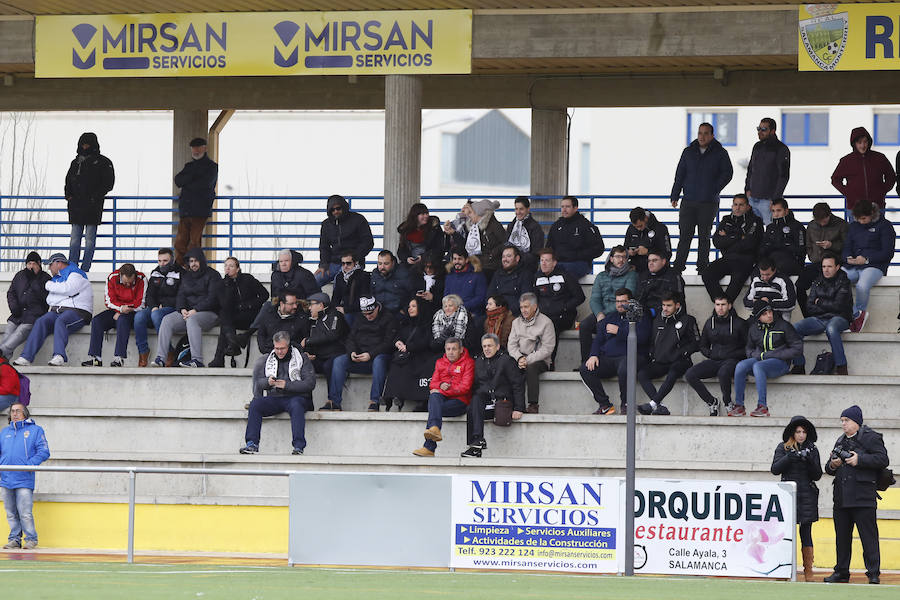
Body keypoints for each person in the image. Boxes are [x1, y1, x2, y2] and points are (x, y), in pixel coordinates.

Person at [823, 405, 889, 584]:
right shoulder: (840, 440)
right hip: (842, 497)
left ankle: (873, 573)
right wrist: (833, 465)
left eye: (847, 421)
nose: (843, 424)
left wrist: (860, 459)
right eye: (842, 421)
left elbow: (883, 459)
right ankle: (841, 571)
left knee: (869, 538)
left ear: (857, 422)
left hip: (863, 497)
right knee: (842, 538)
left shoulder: (871, 437)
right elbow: (828, 468)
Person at [670, 122, 734, 273]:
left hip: (708, 202)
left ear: (712, 135)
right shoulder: (688, 151)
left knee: (704, 237)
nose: (702, 136)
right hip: (688, 201)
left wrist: (714, 188)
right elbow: (680, 174)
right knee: (685, 235)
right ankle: (678, 267)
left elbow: (728, 173)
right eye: (700, 133)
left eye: (706, 133)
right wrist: (675, 194)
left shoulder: (720, 153)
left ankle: (702, 267)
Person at [239, 331, 316, 456]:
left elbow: (310, 384)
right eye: (277, 348)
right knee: (255, 405)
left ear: (288, 345)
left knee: (296, 406)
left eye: (282, 348)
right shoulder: (268, 359)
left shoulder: (301, 358)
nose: (279, 351)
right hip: (276, 397)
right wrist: (267, 382)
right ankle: (252, 444)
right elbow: (259, 383)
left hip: (297, 397)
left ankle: (298, 446)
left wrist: (287, 385)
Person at [579, 288, 651, 415]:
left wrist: (619, 331)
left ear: (630, 302)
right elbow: (598, 340)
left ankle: (626, 404)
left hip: (633, 357)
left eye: (623, 301)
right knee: (585, 368)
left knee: (625, 367)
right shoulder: (610, 317)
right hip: (609, 359)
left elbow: (643, 338)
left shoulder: (640, 317)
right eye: (617, 301)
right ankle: (605, 404)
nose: (619, 304)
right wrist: (593, 355)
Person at [13, 253, 93, 367]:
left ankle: (59, 356)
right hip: (58, 311)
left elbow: (68, 289)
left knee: (61, 321)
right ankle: (26, 357)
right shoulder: (56, 279)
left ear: (59, 263)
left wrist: (50, 285)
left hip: (79, 312)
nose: (49, 268)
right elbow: (50, 300)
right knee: (41, 321)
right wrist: (65, 294)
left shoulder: (75, 273)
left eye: (51, 265)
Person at [770, 415, 822, 582]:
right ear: (793, 433)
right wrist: (788, 458)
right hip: (788, 496)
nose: (801, 435)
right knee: (786, 533)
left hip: (806, 494)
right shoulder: (783, 448)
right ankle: (785, 568)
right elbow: (775, 469)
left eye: (804, 432)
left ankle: (808, 570)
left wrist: (809, 461)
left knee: (806, 532)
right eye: (798, 431)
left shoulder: (812, 449)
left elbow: (818, 475)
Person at [730, 300, 802, 417]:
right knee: (740, 366)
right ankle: (739, 405)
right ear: (758, 317)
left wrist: (773, 354)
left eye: (770, 312)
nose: (769, 315)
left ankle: (762, 406)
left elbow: (797, 348)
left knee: (758, 366)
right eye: (764, 314)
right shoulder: (754, 329)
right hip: (761, 360)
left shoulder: (784, 326)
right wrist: (755, 355)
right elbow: (748, 348)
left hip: (781, 363)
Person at [324, 296, 397, 412]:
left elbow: (388, 343)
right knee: (339, 361)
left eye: (370, 313)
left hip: (378, 358)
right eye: (365, 314)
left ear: (377, 307)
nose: (368, 316)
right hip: (361, 357)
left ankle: (374, 401)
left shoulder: (388, 318)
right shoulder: (360, 318)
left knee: (379, 360)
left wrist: (370, 354)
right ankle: (334, 402)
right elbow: (351, 339)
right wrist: (352, 352)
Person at [152, 248, 222, 368]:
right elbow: (181, 295)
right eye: (191, 261)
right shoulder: (187, 276)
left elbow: (213, 299)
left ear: (202, 261)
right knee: (167, 320)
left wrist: (196, 310)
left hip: (210, 314)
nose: (193, 264)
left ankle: (197, 360)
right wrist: (182, 309)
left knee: (192, 319)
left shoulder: (213, 275)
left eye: (196, 261)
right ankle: (161, 359)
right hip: (189, 313)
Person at [461, 333, 525, 458]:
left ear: (497, 346)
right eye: (484, 346)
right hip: (485, 403)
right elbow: (476, 385)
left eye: (490, 346)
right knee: (473, 405)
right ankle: (477, 442)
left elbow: (517, 384)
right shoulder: (479, 361)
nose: (486, 349)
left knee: (473, 409)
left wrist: (519, 408)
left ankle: (475, 447)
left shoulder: (506, 361)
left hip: (502, 403)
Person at [637, 291, 699, 416]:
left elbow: (697, 342)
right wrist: (652, 353)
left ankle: (652, 404)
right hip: (661, 361)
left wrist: (683, 352)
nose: (665, 308)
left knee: (673, 373)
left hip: (681, 361)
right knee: (642, 374)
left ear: (677, 305)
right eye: (663, 305)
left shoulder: (688, 320)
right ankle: (660, 406)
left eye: (669, 305)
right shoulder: (658, 320)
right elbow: (652, 341)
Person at [684, 295, 748, 416]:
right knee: (690, 374)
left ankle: (728, 403)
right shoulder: (710, 323)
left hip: (733, 360)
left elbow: (748, 347)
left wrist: (733, 354)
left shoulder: (740, 323)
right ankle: (712, 402)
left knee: (723, 373)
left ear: (729, 306)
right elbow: (702, 345)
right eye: (718, 305)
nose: (720, 308)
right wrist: (710, 354)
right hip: (715, 360)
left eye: (723, 305)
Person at [790, 254, 852, 376]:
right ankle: (799, 365)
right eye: (824, 266)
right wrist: (823, 306)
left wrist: (820, 302)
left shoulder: (844, 281)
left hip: (840, 318)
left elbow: (839, 306)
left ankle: (841, 366)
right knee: (795, 328)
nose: (826, 270)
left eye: (829, 266)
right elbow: (810, 306)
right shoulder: (818, 281)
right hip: (821, 318)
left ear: (837, 267)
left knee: (831, 328)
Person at [412, 337, 474, 457]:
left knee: (435, 401)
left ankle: (429, 447)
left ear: (461, 350)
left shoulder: (468, 362)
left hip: (460, 402)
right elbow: (432, 383)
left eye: (454, 349)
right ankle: (434, 429)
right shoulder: (440, 362)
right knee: (434, 397)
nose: (450, 352)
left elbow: (465, 387)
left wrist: (445, 389)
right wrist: (440, 385)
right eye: (448, 349)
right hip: (442, 401)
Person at [0, 403, 50, 550]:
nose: (14, 414)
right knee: (10, 512)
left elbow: (44, 451)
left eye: (18, 411)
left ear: (25, 413)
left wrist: (29, 465)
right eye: (12, 411)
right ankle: (15, 539)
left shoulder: (35, 431)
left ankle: (31, 539)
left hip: (24, 479)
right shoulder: (4, 432)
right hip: (6, 479)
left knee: (25, 512)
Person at [65, 132, 115, 272]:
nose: (85, 146)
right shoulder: (75, 162)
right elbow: (68, 181)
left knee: (89, 241)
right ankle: (73, 267)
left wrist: (95, 197)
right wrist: (68, 195)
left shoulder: (104, 162)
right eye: (83, 144)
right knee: (74, 240)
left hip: (93, 208)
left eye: (87, 144)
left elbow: (108, 183)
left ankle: (85, 268)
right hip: (76, 207)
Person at [578, 246, 638, 363]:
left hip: (620, 311)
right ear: (611, 259)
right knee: (585, 326)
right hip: (601, 312)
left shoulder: (631, 275)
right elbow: (594, 299)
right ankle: (586, 361)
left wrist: (604, 314)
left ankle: (601, 360)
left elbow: (627, 298)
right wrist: (599, 314)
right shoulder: (601, 276)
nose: (621, 260)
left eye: (624, 257)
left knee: (603, 326)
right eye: (618, 257)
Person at [842, 201, 894, 332]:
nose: (861, 221)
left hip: (875, 266)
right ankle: (855, 315)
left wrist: (866, 260)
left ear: (872, 213)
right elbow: (847, 246)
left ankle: (860, 315)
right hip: (853, 265)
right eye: (858, 219)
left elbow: (887, 253)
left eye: (864, 218)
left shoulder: (885, 226)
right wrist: (848, 257)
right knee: (837, 281)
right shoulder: (854, 226)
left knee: (862, 285)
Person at [382, 297, 441, 413]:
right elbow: (399, 336)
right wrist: (398, 342)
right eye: (409, 307)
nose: (410, 309)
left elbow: (427, 342)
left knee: (409, 365)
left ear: (420, 308)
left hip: (422, 354)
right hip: (407, 354)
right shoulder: (406, 322)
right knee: (395, 364)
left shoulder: (428, 324)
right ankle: (389, 397)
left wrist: (408, 347)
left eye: (414, 306)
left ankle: (402, 396)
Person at [82, 263, 146, 367]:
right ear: (120, 275)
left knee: (122, 320)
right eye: (125, 282)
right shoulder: (112, 277)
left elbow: (141, 303)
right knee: (97, 321)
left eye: (131, 282)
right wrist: (120, 309)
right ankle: (96, 358)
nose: (128, 285)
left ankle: (118, 358)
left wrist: (124, 311)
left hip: (133, 311)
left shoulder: (141, 278)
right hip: (116, 309)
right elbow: (108, 301)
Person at [702, 193, 763, 303]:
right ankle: (722, 304)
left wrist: (728, 239)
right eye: (735, 204)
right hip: (727, 259)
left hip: (745, 260)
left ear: (748, 207)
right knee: (707, 274)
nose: (737, 208)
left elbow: (750, 243)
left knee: (737, 279)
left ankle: (723, 308)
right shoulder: (726, 219)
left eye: (741, 205)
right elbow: (717, 241)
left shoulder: (755, 221)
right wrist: (739, 237)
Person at [209, 257, 268, 367]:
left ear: (237, 269)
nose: (228, 268)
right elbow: (225, 305)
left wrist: (249, 305)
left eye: (231, 266)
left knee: (225, 323)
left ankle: (220, 358)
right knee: (224, 316)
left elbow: (265, 295)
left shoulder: (248, 279)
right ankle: (232, 344)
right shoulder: (222, 284)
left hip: (251, 315)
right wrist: (228, 285)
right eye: (226, 266)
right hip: (235, 317)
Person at [533, 248, 585, 363]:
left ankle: (548, 361)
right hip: (544, 316)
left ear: (554, 263)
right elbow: (533, 299)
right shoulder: (536, 277)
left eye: (547, 260)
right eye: (542, 260)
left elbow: (580, 297)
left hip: (563, 316)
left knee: (550, 327)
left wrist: (564, 307)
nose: (544, 263)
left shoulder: (565, 276)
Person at [507, 292, 555, 414]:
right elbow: (511, 345)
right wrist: (519, 358)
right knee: (506, 366)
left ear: (535, 307)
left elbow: (547, 348)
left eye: (526, 307)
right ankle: (508, 403)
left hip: (539, 360)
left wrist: (527, 360)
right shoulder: (516, 322)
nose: (523, 310)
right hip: (519, 358)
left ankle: (533, 405)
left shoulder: (546, 322)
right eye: (522, 307)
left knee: (531, 368)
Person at [173, 137, 218, 265]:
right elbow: (178, 181)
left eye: (198, 147)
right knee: (180, 242)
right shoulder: (190, 166)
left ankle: (194, 267)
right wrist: (193, 176)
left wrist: (188, 182)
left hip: (199, 211)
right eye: (193, 148)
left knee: (194, 242)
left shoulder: (211, 167)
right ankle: (181, 267)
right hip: (186, 210)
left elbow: (205, 185)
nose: (195, 150)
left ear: (205, 148)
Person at [133, 248, 182, 367]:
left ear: (172, 260)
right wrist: (154, 306)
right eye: (159, 261)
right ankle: (143, 352)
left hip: (172, 308)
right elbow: (149, 295)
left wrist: (164, 306)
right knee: (139, 316)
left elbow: (182, 296)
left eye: (165, 261)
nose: (162, 264)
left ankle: (169, 351)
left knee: (156, 315)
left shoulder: (180, 273)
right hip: (157, 308)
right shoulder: (155, 273)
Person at [798, 203, 848, 317]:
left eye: (823, 220)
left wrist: (831, 245)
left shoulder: (841, 224)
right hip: (816, 262)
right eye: (818, 221)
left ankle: (829, 318)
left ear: (829, 215)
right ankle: (808, 317)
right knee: (800, 286)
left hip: (834, 262)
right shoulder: (811, 225)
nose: (821, 223)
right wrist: (812, 256)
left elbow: (847, 246)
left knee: (826, 290)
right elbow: (808, 244)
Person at [831, 127, 895, 213]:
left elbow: (891, 176)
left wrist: (882, 191)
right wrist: (848, 193)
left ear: (869, 142)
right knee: (855, 227)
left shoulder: (880, 158)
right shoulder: (846, 160)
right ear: (854, 144)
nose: (863, 145)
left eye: (865, 142)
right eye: (859, 142)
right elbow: (835, 179)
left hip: (877, 207)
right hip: (855, 207)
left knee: (879, 227)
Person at [315, 194, 374, 286]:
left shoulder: (358, 219)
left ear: (344, 207)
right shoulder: (326, 224)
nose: (335, 211)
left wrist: (354, 257)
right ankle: (315, 300)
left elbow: (368, 242)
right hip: (333, 263)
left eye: (338, 208)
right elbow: (324, 246)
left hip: (353, 262)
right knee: (313, 281)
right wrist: (323, 265)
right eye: (332, 210)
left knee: (339, 283)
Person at [1, 252, 50, 359]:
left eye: (33, 264)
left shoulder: (46, 278)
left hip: (34, 316)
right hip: (17, 314)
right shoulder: (20, 275)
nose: (31, 266)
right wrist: (13, 307)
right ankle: (3, 362)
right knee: (8, 333)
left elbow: (46, 298)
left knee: (20, 332)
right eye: (29, 264)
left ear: (39, 264)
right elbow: (11, 293)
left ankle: (1, 352)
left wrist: (35, 282)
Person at [745, 117, 791, 226]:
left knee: (772, 231)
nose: (760, 132)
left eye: (764, 129)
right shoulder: (757, 146)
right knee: (753, 231)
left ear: (773, 131)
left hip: (768, 201)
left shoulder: (781, 149)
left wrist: (775, 199)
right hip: (752, 198)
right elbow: (750, 169)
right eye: (758, 128)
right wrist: (747, 189)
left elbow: (784, 175)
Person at [545, 196, 605, 278]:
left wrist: (578, 255)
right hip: (559, 263)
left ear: (575, 208)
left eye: (567, 207)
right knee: (541, 274)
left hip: (579, 263)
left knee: (565, 276)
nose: (564, 209)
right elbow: (549, 247)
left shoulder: (586, 225)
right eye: (562, 207)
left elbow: (598, 248)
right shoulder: (556, 226)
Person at [301, 292, 348, 395]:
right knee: (303, 364)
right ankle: (306, 402)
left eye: (312, 305)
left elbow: (332, 334)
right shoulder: (313, 320)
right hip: (320, 357)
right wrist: (308, 353)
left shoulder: (335, 316)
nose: (309, 308)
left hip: (336, 355)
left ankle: (332, 400)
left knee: (329, 366)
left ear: (321, 305)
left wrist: (308, 341)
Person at [451, 199, 507, 279]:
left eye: (471, 213)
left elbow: (505, 243)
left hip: (490, 266)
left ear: (479, 214)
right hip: (477, 263)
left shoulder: (495, 226)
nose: (468, 216)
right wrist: (453, 233)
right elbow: (466, 244)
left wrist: (492, 254)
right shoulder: (475, 227)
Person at [759, 198, 806, 276]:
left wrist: (783, 245)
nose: (776, 214)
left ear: (786, 211)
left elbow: (801, 250)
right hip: (771, 260)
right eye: (773, 211)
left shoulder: (797, 226)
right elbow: (763, 247)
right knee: (757, 273)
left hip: (791, 261)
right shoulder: (770, 227)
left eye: (779, 210)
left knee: (777, 273)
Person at [255, 290, 308, 356]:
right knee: (259, 364)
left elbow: (305, 338)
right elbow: (261, 334)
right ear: (282, 304)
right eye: (291, 304)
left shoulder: (301, 318)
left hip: (293, 355)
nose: (295, 306)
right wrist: (265, 349)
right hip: (270, 353)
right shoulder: (269, 315)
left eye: (296, 303)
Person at [486, 245, 533, 317]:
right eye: (503, 257)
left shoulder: (525, 274)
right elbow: (490, 295)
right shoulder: (497, 274)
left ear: (517, 258)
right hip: (497, 313)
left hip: (516, 314)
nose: (505, 259)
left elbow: (525, 298)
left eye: (508, 256)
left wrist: (508, 312)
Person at [636, 250, 686, 316]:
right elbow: (638, 298)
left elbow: (677, 299)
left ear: (663, 261)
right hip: (645, 313)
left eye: (654, 260)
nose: (651, 263)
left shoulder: (673, 276)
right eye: (649, 261)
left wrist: (655, 311)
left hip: (667, 314)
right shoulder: (643, 276)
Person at [331, 252, 372, 328]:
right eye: (343, 264)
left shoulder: (363, 276)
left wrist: (346, 310)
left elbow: (364, 299)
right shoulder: (339, 277)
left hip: (359, 310)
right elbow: (335, 297)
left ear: (355, 263)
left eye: (348, 263)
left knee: (347, 318)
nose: (345, 266)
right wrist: (336, 308)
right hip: (344, 309)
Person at [624, 207, 671, 274]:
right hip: (635, 270)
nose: (638, 229)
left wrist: (648, 252)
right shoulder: (631, 229)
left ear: (646, 218)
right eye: (635, 227)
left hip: (655, 272)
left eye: (640, 226)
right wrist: (629, 253)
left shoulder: (660, 229)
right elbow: (624, 248)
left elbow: (667, 254)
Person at [397, 203, 445, 268]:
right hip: (410, 264)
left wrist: (423, 257)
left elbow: (439, 249)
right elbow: (401, 251)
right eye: (422, 214)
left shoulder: (434, 229)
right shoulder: (406, 230)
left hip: (430, 263)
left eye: (427, 213)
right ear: (415, 216)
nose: (426, 216)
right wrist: (407, 259)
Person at [443, 249, 487, 318]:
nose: (457, 262)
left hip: (472, 314)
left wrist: (461, 307)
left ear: (466, 260)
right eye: (455, 259)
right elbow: (446, 296)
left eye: (460, 259)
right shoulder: (449, 276)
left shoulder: (477, 275)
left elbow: (480, 298)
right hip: (452, 313)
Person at [506, 196, 545, 270]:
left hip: (527, 268)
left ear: (528, 209)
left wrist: (517, 258)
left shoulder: (535, 227)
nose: (518, 212)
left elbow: (536, 253)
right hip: (512, 267)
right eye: (516, 209)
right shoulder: (511, 225)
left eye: (521, 209)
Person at [370, 250, 413, 315]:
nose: (382, 267)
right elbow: (370, 293)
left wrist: (404, 310)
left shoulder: (403, 274)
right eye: (380, 263)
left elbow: (412, 293)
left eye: (386, 263)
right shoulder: (375, 274)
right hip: (378, 314)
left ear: (393, 263)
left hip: (396, 315)